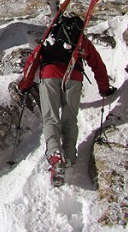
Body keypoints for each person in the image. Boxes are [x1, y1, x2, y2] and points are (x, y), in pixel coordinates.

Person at [18, 13, 116, 185]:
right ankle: (69, 156)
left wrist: (25, 84)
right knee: (70, 119)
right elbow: (97, 64)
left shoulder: (51, 36)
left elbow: (33, 60)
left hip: (49, 76)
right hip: (73, 77)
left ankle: (56, 156)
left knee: (51, 118)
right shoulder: (79, 39)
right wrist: (104, 88)